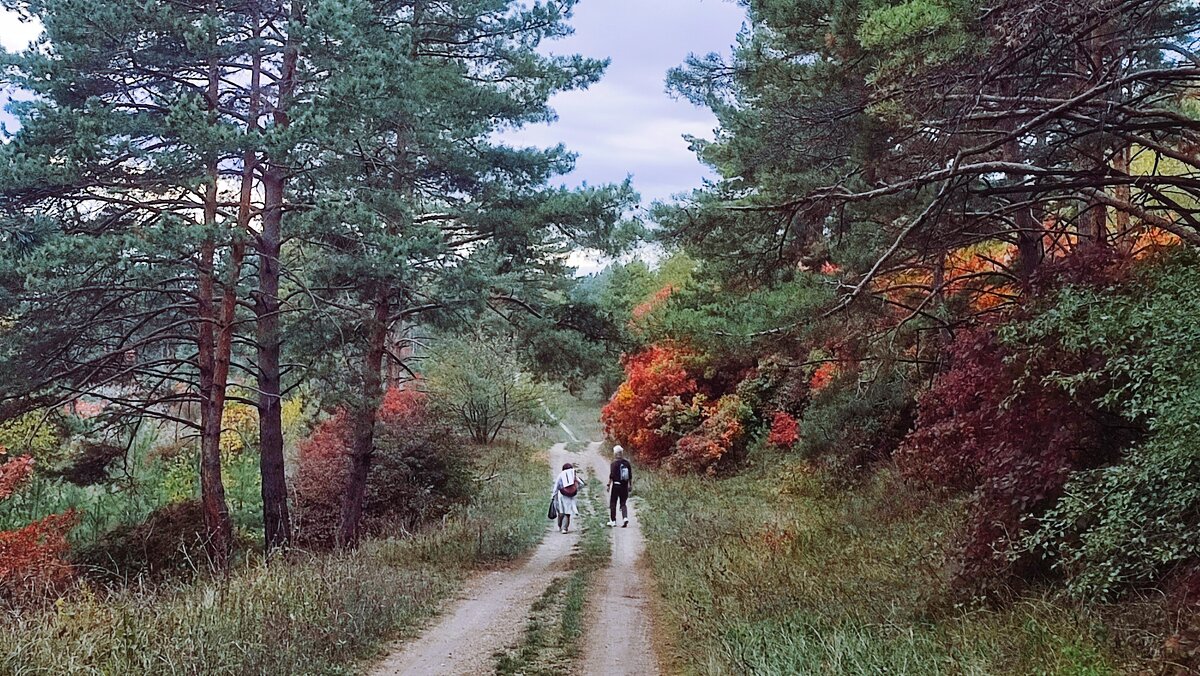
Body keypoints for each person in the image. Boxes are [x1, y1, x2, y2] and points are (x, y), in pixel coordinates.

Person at [606, 445, 633, 528]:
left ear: (615, 453)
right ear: (622, 453)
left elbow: (612, 475)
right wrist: (630, 485)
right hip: (624, 486)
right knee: (623, 503)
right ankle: (625, 518)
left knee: (613, 503)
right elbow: (630, 476)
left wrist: (608, 485)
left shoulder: (614, 463)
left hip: (616, 485)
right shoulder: (627, 463)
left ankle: (613, 521)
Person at [553, 462, 580, 534]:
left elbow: (556, 486)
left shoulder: (561, 475)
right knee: (567, 513)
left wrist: (553, 495)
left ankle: (559, 525)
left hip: (561, 495)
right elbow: (581, 484)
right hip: (570, 496)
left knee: (561, 512)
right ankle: (564, 528)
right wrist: (576, 489)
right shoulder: (573, 476)